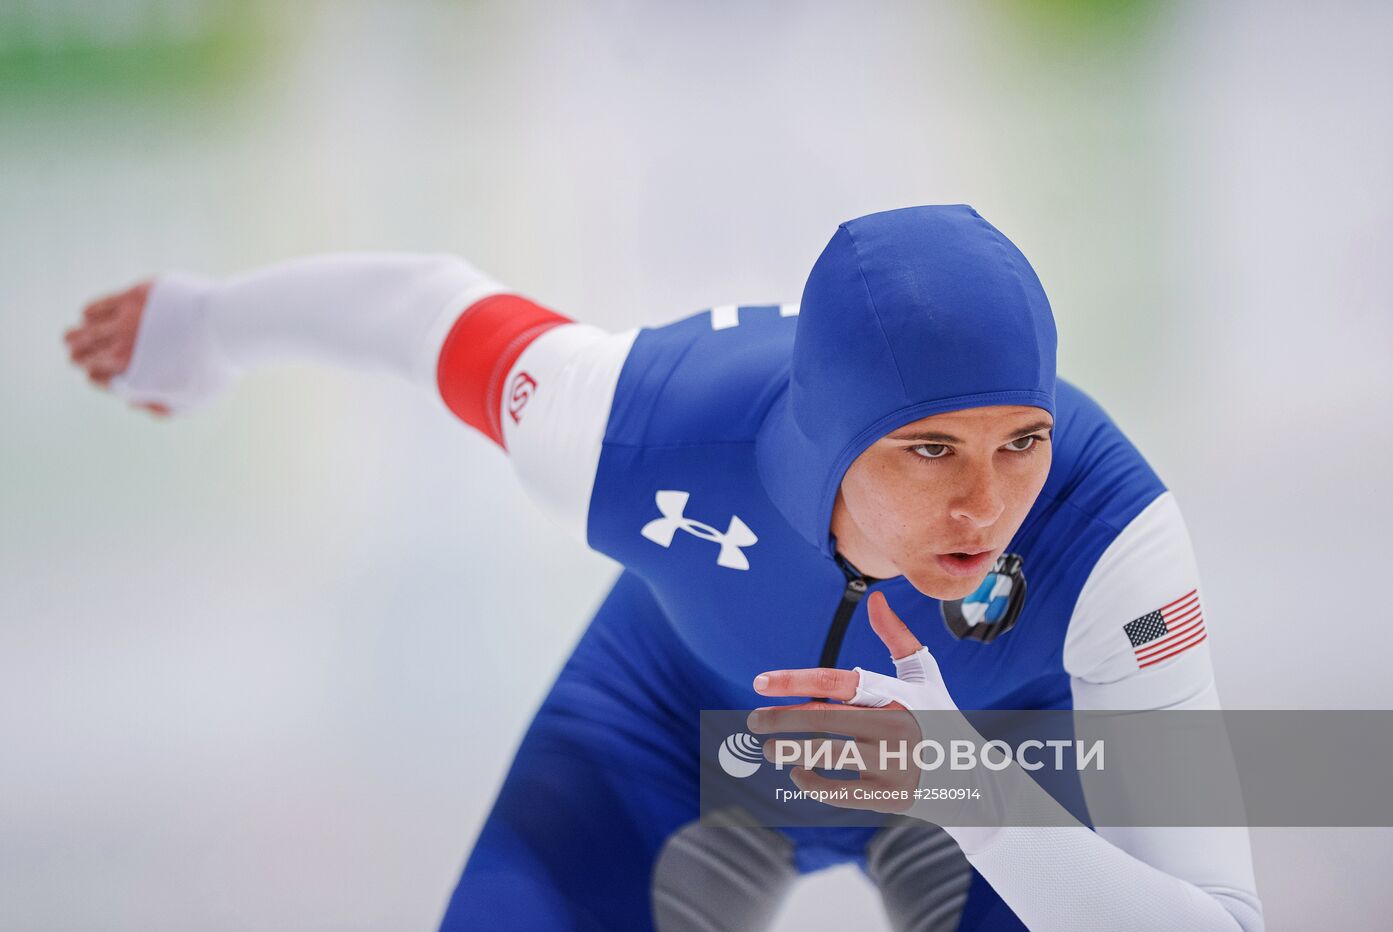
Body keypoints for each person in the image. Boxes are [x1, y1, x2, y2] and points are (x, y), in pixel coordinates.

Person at [64, 205, 1264, 930]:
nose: (987, 503)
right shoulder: (634, 427)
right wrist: (201, 327)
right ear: (833, 434)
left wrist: (971, 794)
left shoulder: (1110, 539)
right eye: (928, 449)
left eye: (1022, 442)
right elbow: (426, 309)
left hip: (1005, 760)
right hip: (666, 727)